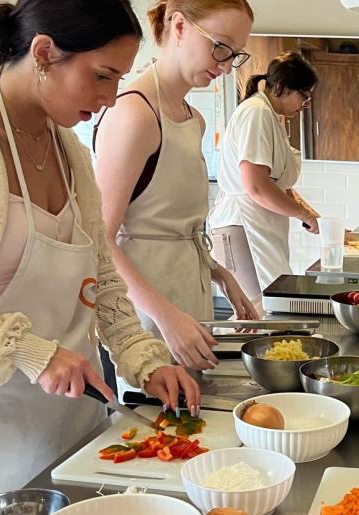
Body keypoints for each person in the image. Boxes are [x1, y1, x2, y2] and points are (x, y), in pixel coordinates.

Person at [0, 0, 200, 515]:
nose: (111, 97)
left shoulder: (69, 152)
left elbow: (101, 278)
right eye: (102, 75)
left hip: (73, 425)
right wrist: (28, 351)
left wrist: (144, 358)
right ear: (44, 53)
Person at [94, 0, 258, 376]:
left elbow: (170, 225)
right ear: (180, 26)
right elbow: (100, 239)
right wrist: (166, 317)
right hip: (146, 315)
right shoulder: (134, 114)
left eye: (234, 54)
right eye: (220, 46)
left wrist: (221, 274)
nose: (225, 65)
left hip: (187, 296)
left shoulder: (192, 119)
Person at [208, 51, 321, 305]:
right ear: (280, 87)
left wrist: (313, 218)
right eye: (304, 95)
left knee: (271, 307)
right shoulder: (256, 113)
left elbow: (279, 184)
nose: (305, 104)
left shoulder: (270, 115)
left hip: (257, 225)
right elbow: (257, 186)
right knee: (258, 310)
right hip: (242, 226)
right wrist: (304, 215)